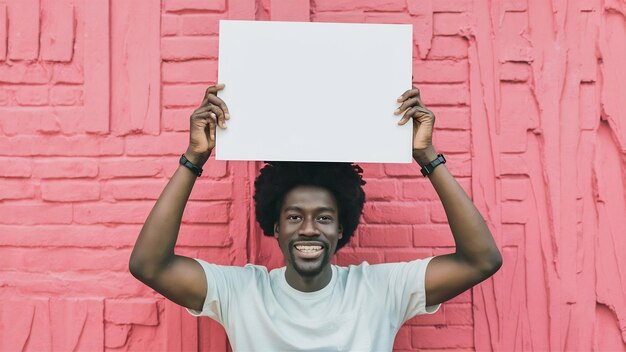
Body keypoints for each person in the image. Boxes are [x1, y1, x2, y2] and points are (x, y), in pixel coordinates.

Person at [129, 83, 502, 351]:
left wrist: (428, 158)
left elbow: (481, 259)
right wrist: (194, 158)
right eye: (294, 217)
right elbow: (149, 265)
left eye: (324, 218)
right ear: (275, 226)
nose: (308, 228)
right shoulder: (242, 293)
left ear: (341, 227)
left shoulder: (379, 290)